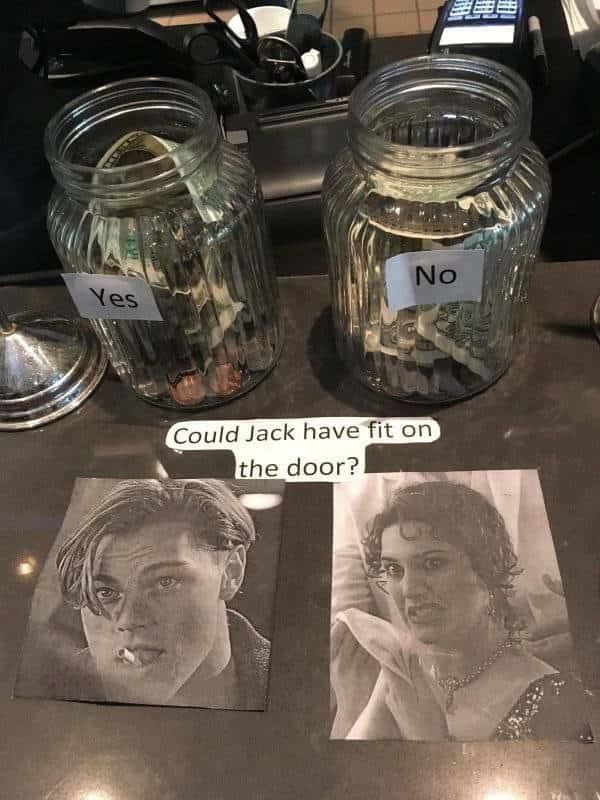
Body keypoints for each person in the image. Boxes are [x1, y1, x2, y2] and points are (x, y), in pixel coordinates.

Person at [331, 481, 592, 741]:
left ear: (487, 570)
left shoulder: (556, 697)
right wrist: (353, 704)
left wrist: (428, 740)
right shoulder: (404, 672)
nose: (409, 590)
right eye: (394, 570)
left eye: (432, 564)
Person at [54, 479, 270, 709]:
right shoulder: (49, 688)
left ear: (231, 572)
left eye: (165, 582)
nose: (129, 620)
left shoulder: (295, 683)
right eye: (105, 592)